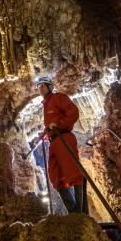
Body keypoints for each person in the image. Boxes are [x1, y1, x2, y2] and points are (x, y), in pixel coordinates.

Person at [33, 76, 88, 214]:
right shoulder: (45, 105)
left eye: (43, 86)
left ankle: (80, 212)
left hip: (64, 137)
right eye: (39, 87)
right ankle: (73, 210)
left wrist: (60, 125)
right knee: (55, 176)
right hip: (53, 142)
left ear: (50, 87)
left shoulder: (59, 98)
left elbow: (73, 112)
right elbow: (49, 126)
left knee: (73, 172)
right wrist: (40, 137)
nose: (41, 89)